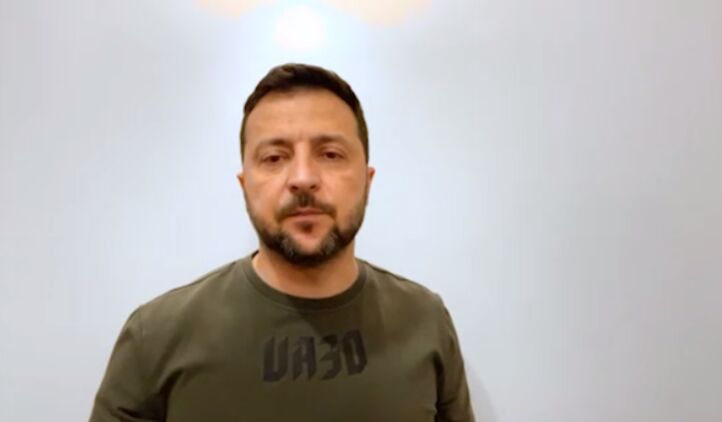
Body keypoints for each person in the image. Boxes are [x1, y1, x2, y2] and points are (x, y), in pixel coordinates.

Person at [89, 63, 475, 422]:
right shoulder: (155, 338)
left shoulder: (426, 322)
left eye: (330, 154)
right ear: (245, 185)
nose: (303, 178)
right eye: (274, 158)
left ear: (367, 179)